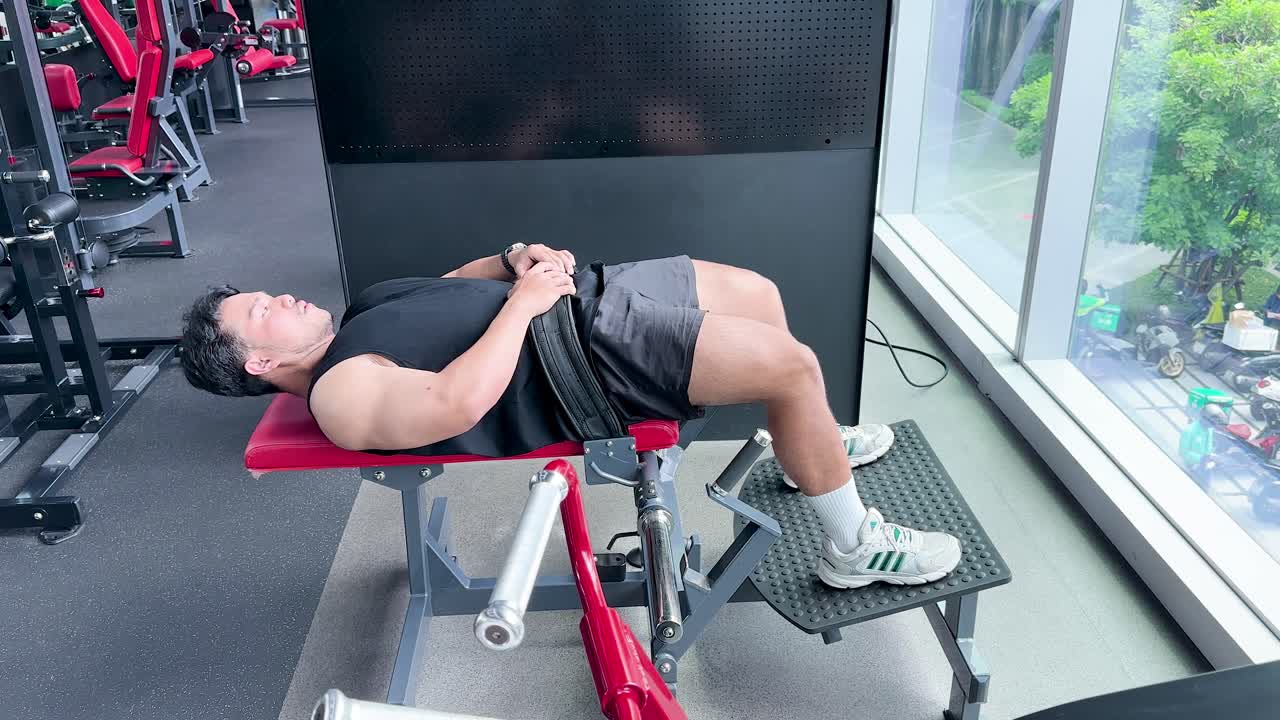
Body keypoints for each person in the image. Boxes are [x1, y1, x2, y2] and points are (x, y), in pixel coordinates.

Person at [179, 244, 961, 589]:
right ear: (259, 363)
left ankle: (809, 449)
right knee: (795, 368)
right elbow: (458, 400)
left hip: (585, 298)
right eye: (263, 310)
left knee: (756, 292)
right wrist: (524, 303)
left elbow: (456, 285)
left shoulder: (362, 313)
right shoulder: (339, 394)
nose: (281, 297)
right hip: (585, 362)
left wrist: (514, 261)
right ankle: (852, 547)